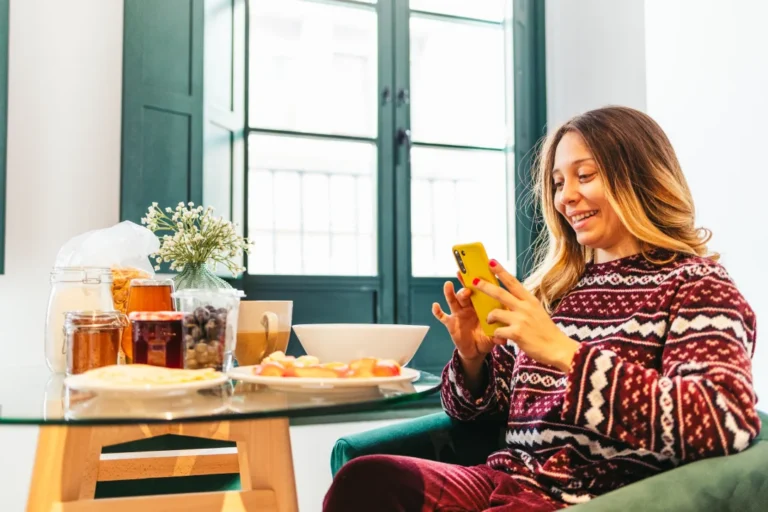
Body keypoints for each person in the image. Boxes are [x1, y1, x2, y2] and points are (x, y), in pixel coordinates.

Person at [322, 106, 760, 511]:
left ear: (640, 177)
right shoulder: (555, 290)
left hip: (591, 498)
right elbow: (471, 413)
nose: (565, 197)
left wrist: (565, 353)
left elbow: (721, 419)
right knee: (366, 481)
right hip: (505, 481)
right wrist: (474, 360)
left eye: (584, 175)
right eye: (557, 183)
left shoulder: (696, 285)